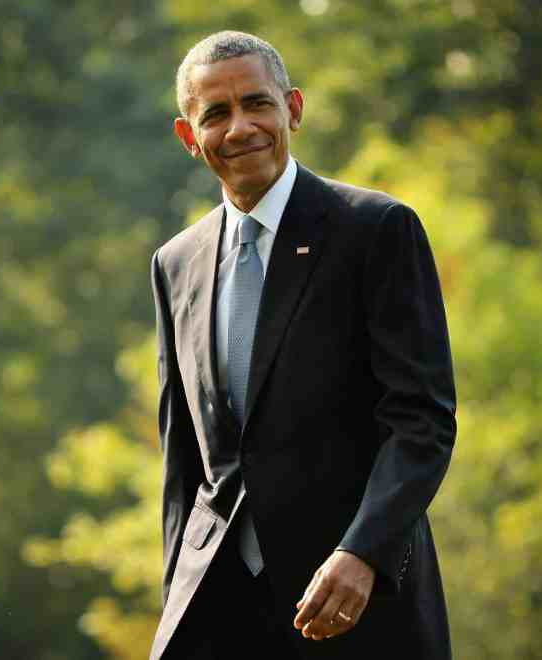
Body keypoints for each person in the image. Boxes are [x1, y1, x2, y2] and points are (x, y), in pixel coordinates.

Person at [149, 31, 456, 660]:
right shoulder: (173, 264)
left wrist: (362, 552)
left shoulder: (375, 231)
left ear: (292, 108)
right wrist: (176, 602)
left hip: (360, 608)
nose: (240, 129)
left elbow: (420, 422)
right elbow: (184, 464)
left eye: (256, 104)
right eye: (216, 114)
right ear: (189, 137)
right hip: (223, 616)